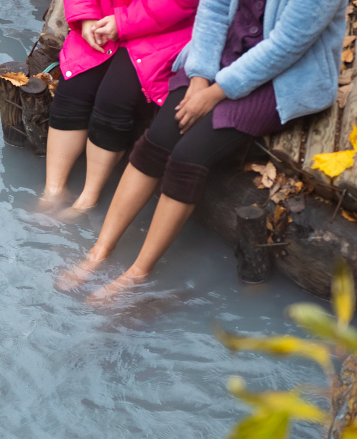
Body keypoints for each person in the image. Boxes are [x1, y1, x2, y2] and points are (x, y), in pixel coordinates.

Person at [56, 0, 347, 303]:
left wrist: (214, 93)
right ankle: (99, 251)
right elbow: (214, 9)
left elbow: (285, 47)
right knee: (157, 140)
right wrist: (199, 76)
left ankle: (136, 273)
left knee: (188, 157)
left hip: (282, 77)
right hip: (221, 55)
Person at [42, 0, 198, 211]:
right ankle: (53, 190)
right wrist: (86, 18)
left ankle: (88, 198)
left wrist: (123, 23)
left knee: (114, 99)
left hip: (165, 31)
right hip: (104, 19)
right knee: (73, 88)